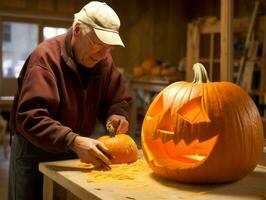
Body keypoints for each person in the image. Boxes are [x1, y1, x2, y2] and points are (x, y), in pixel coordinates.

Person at [8, 1, 132, 200]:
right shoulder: (45, 59)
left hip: (75, 149)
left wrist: (116, 114)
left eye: (109, 48)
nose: (103, 54)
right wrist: (72, 140)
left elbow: (117, 98)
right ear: (77, 29)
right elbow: (30, 118)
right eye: (98, 44)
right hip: (36, 150)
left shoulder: (103, 61)